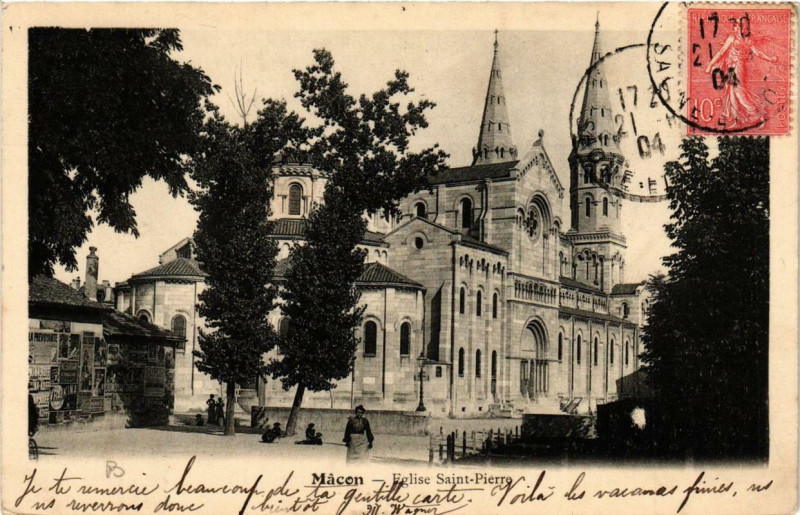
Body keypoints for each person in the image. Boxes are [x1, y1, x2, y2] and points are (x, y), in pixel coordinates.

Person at [704, 17, 778, 129]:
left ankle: (756, 115)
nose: (735, 27)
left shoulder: (742, 39)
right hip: (731, 67)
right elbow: (721, 52)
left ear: (741, 27)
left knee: (739, 92)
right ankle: (736, 120)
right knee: (731, 93)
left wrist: (770, 59)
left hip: (738, 67)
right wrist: (710, 65)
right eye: (735, 25)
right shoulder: (736, 38)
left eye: (737, 25)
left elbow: (758, 53)